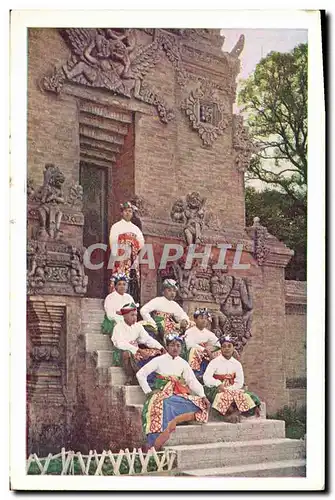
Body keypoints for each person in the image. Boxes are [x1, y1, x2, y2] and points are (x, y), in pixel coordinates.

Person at [136, 333, 211, 450]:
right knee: (163, 404)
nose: (175, 348)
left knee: (198, 403)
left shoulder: (183, 363)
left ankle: (176, 419)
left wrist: (203, 395)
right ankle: (155, 441)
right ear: (167, 346)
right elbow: (140, 374)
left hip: (177, 393)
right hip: (162, 392)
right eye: (172, 345)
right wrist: (148, 392)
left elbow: (192, 381)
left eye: (178, 345)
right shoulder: (159, 360)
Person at [203, 335, 261, 423]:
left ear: (233, 348)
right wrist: (218, 384)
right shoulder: (214, 362)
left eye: (229, 346)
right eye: (224, 346)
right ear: (221, 348)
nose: (227, 349)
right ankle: (229, 414)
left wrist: (230, 389)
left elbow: (239, 382)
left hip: (233, 388)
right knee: (221, 397)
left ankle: (236, 413)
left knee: (250, 397)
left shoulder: (237, 364)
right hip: (218, 388)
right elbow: (206, 378)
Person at [111, 303, 165, 384]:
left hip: (136, 350)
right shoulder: (118, 327)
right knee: (127, 354)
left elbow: (147, 339)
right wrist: (139, 350)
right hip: (121, 352)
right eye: (132, 315)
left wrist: (160, 347)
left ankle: (152, 377)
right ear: (125, 316)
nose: (135, 318)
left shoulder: (138, 326)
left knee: (158, 353)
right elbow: (121, 344)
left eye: (136, 315)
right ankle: (130, 377)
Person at [109, 201, 145, 298]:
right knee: (120, 276)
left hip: (132, 256)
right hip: (121, 256)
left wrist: (133, 245)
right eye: (126, 211)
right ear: (122, 212)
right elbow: (113, 240)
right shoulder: (116, 226)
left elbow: (141, 242)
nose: (128, 213)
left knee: (132, 278)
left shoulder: (136, 229)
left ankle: (131, 298)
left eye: (130, 211)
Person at [140, 279, 191, 343]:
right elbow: (143, 310)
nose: (172, 293)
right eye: (169, 290)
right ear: (163, 292)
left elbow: (182, 315)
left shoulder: (174, 304)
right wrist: (152, 323)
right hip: (159, 326)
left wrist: (184, 320)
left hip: (172, 326)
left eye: (174, 291)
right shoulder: (157, 300)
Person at [184, 308, 221, 377]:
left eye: (205, 318)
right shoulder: (189, 331)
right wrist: (204, 349)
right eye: (201, 318)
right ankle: (196, 374)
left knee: (219, 352)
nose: (204, 320)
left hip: (207, 352)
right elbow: (189, 345)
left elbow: (217, 344)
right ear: (195, 320)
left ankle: (217, 374)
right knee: (194, 351)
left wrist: (211, 348)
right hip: (197, 352)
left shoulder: (208, 333)